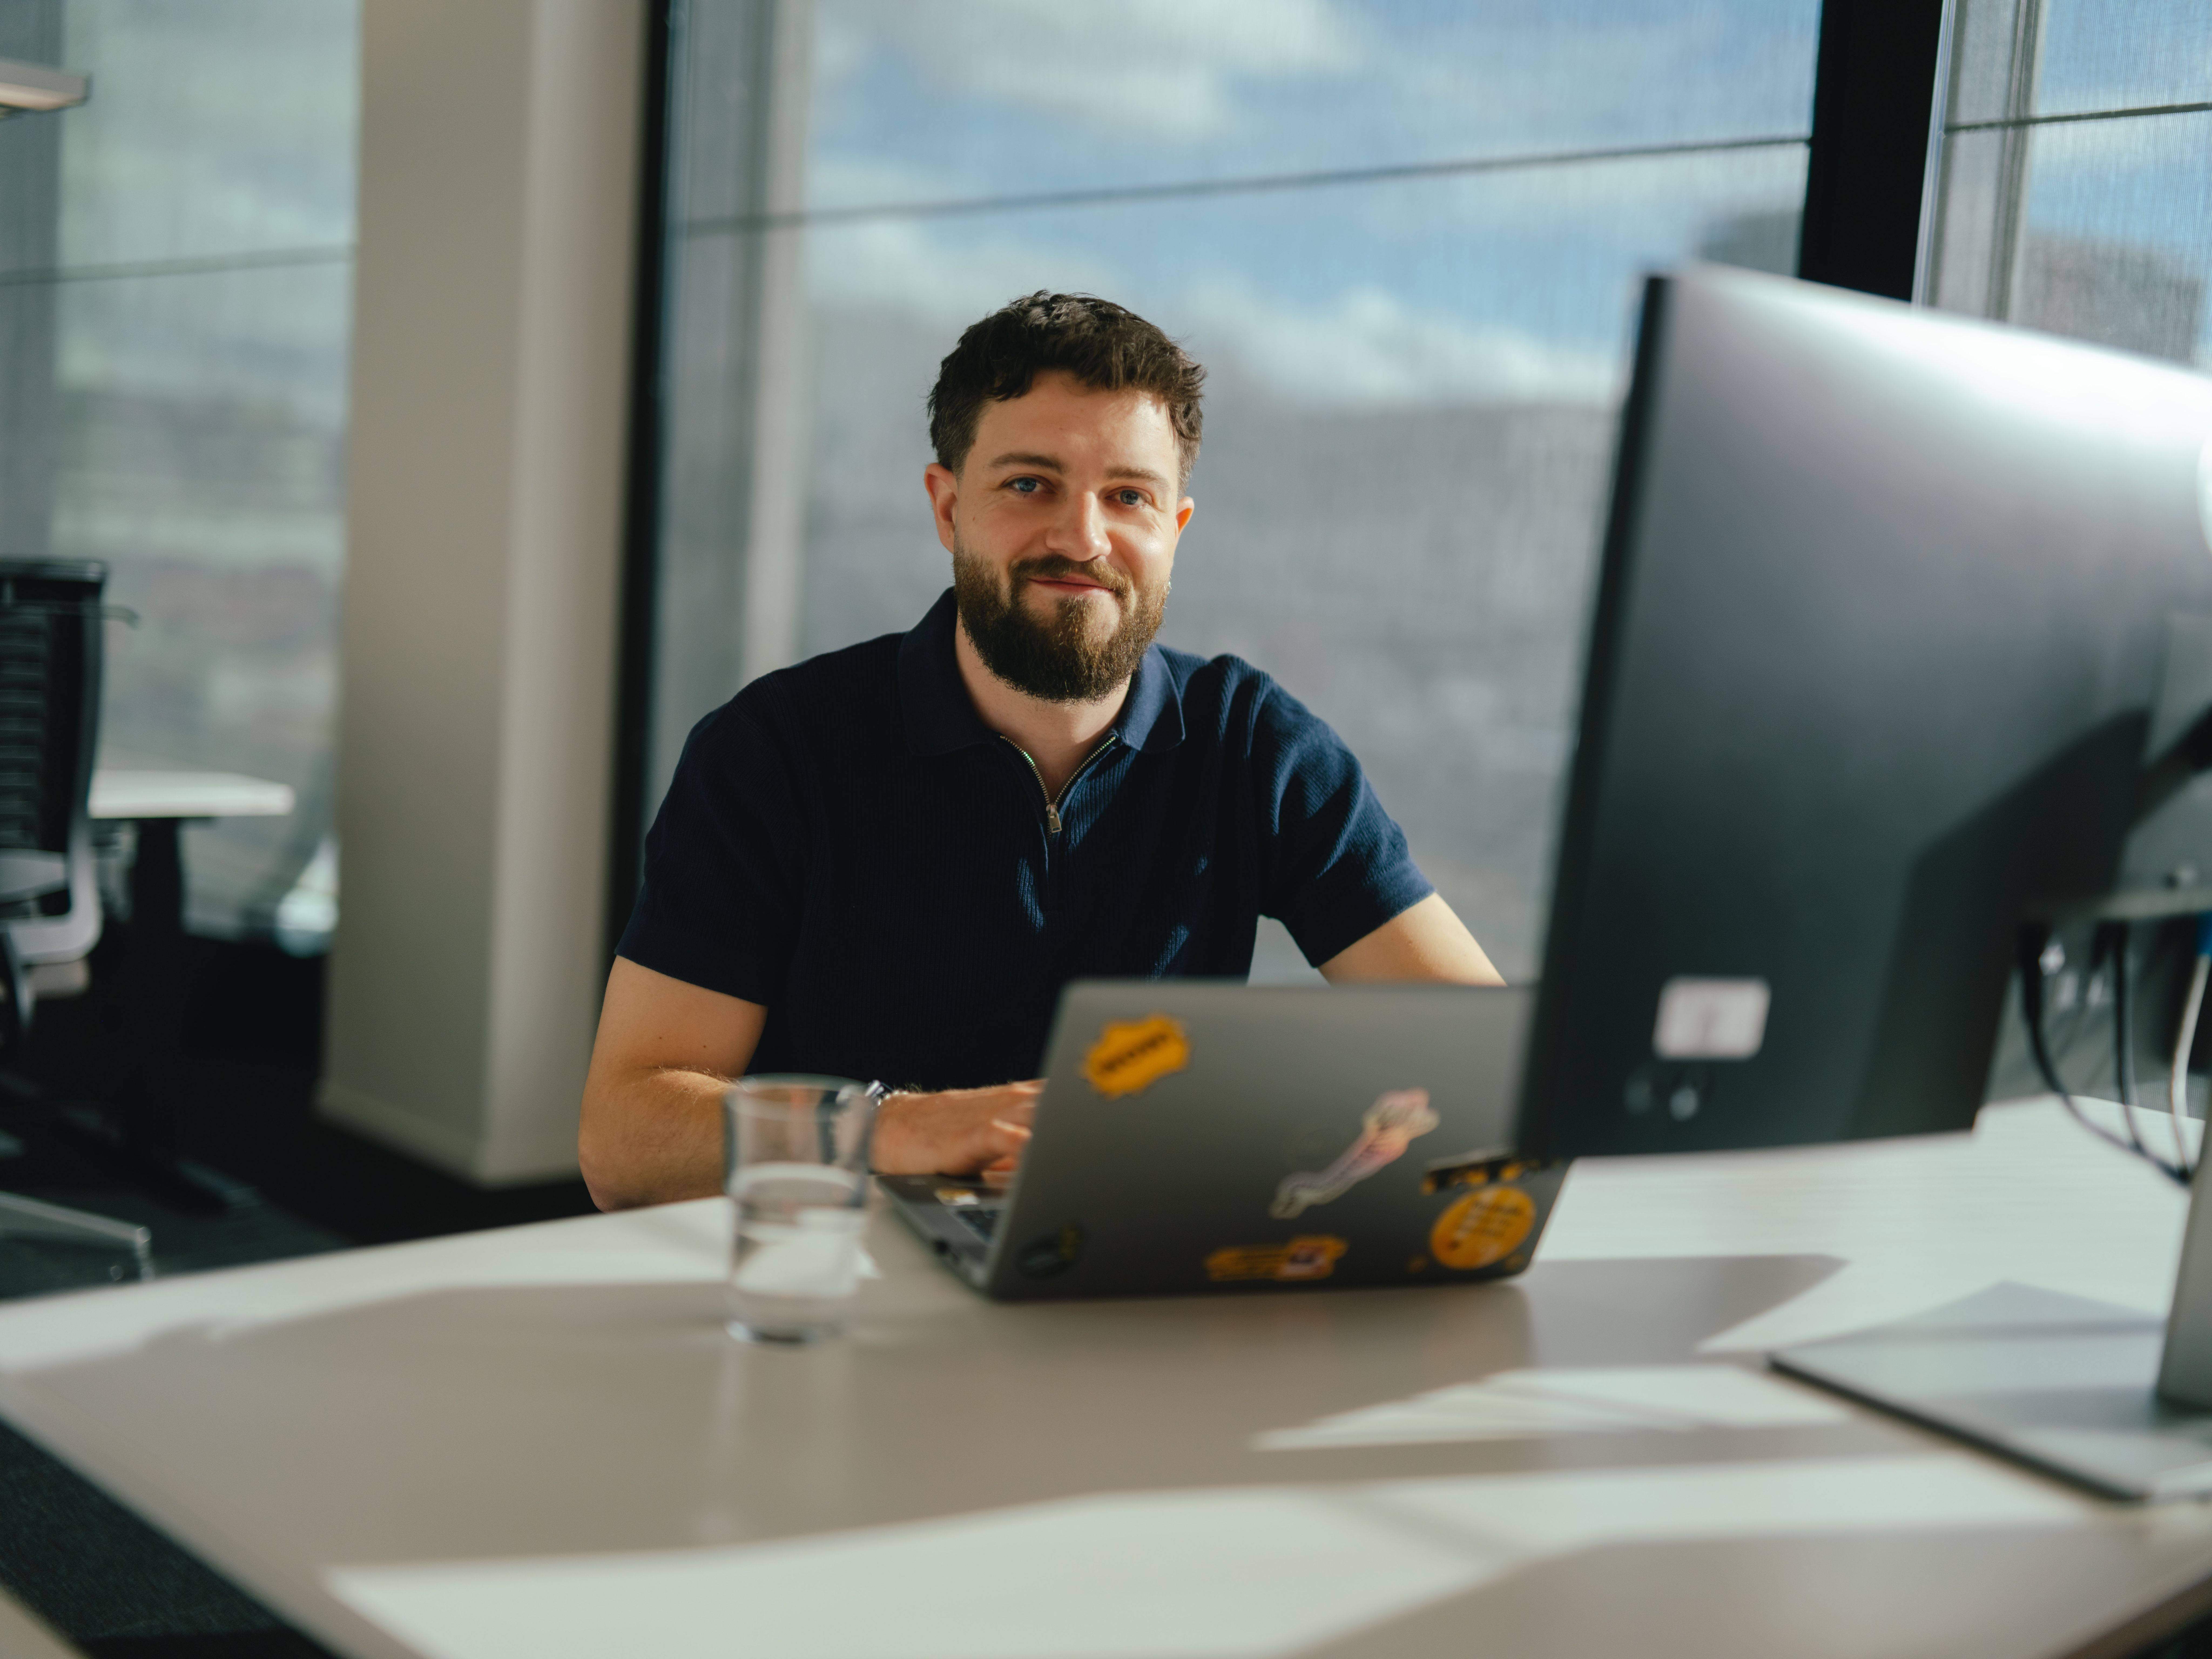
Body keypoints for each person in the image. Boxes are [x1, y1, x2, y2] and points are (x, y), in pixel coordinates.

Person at [580, 292, 1501, 1210]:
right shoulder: (774, 752)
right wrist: (904, 1130)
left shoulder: (1256, 745)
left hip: (1139, 1285)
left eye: (1129, 497)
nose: (1083, 538)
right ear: (948, 509)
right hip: (842, 1281)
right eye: (1030, 485)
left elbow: (1480, 1054)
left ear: (1174, 532)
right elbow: (626, 1136)